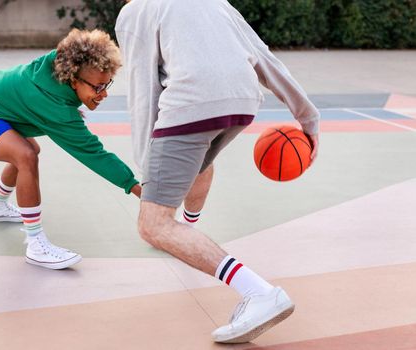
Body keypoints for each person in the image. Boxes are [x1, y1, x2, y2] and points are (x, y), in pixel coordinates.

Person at [115, 0, 320, 344]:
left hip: (192, 102)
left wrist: (146, 166)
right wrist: (308, 116)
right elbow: (262, 56)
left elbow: (142, 88)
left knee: (153, 224)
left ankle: (258, 293)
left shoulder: (134, 12)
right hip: (242, 102)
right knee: (201, 165)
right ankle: (189, 233)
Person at [0, 29, 141, 270]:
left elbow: (57, 87)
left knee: (29, 149)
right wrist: (135, 186)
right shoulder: (54, 106)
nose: (104, 93)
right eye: (98, 87)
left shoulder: (59, 66)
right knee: (25, 155)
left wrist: (67, 104)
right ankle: (36, 244)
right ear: (74, 80)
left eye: (107, 84)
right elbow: (93, 154)